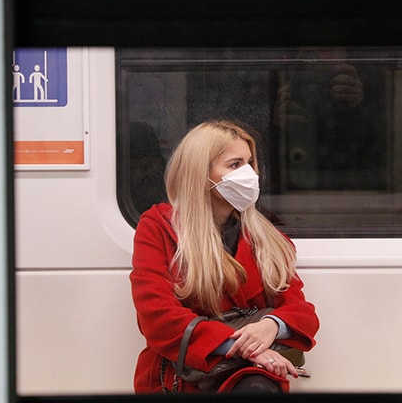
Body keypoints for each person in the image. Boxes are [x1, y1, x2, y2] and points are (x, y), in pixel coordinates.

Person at [130, 120, 320, 394]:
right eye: (235, 165)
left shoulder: (265, 237)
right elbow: (158, 318)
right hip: (185, 375)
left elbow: (301, 311)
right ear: (201, 174)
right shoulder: (159, 227)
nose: (249, 174)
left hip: (249, 377)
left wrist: (272, 326)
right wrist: (242, 347)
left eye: (250, 163)